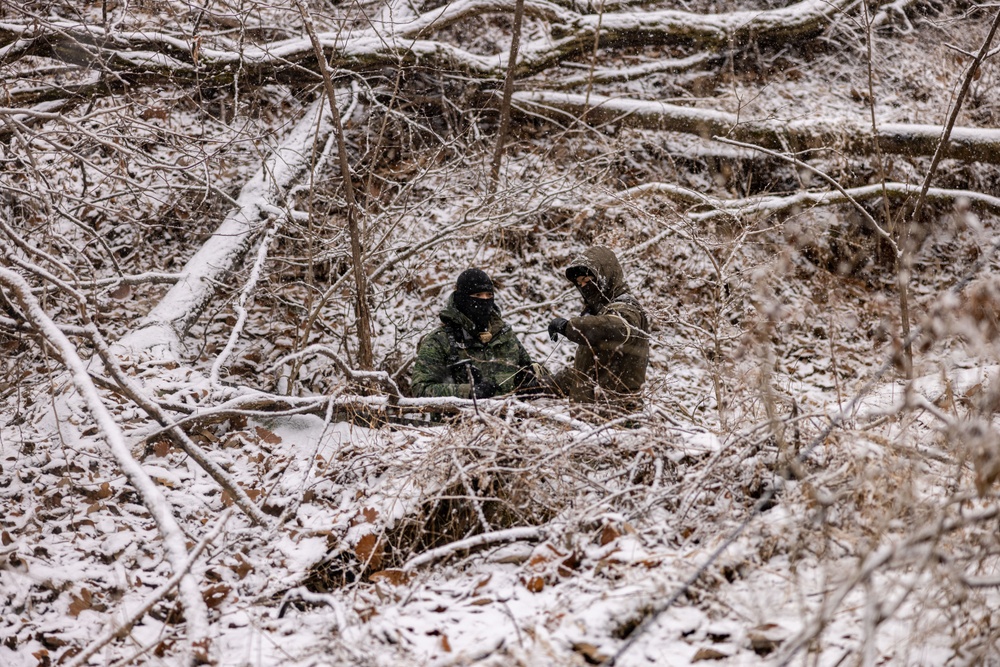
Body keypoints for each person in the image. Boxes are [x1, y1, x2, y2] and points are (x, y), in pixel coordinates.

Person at [410, 268, 543, 399]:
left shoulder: (505, 336)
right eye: (477, 296)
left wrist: (531, 380)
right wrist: (468, 391)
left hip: (509, 417)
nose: (484, 301)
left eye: (489, 295)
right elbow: (420, 389)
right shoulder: (440, 340)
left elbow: (533, 370)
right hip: (460, 419)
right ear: (462, 299)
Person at [547, 247, 649, 404]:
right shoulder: (598, 315)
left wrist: (569, 326)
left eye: (588, 280)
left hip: (619, 418)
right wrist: (542, 385)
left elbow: (617, 328)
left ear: (605, 277)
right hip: (590, 420)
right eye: (579, 283)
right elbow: (584, 374)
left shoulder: (627, 308)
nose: (584, 286)